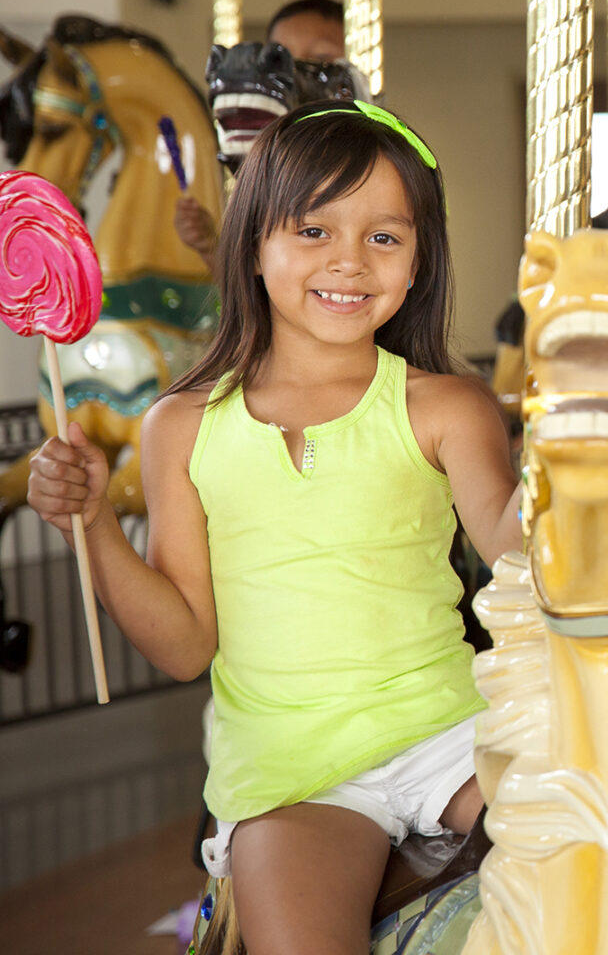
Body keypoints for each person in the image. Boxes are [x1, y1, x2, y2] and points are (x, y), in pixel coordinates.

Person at [28, 100, 522, 955]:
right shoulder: (182, 426)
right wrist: (94, 521)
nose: (349, 262)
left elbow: (520, 557)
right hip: (291, 770)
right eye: (313, 230)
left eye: (384, 238)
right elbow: (185, 645)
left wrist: (582, 455)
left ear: (418, 262)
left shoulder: (443, 406)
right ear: (255, 245)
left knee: (593, 856)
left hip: (447, 731)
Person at [177, 0, 350, 267]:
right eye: (283, 59)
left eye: (320, 59)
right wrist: (212, 247)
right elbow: (249, 286)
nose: (293, 71)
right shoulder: (268, 175)